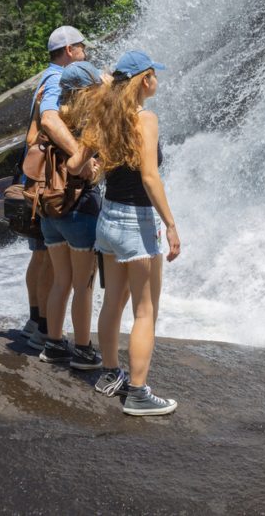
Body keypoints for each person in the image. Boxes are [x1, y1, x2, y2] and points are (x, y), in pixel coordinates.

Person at [72, 49, 181, 416]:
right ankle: (137, 392)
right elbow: (150, 177)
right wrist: (170, 224)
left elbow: (75, 164)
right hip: (138, 222)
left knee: (113, 303)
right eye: (154, 75)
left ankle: (109, 373)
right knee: (145, 311)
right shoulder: (145, 119)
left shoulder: (101, 117)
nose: (157, 82)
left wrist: (96, 164)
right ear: (144, 80)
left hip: (109, 218)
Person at [22, 25, 89, 352]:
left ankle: (36, 321)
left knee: (41, 253)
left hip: (34, 181)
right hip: (49, 183)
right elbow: (49, 119)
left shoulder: (44, 76)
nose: (85, 52)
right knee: (51, 256)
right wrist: (79, 154)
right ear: (68, 51)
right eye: (81, 47)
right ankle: (45, 329)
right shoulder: (56, 80)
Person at [38, 60, 103, 371]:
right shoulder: (87, 122)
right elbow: (84, 170)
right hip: (79, 210)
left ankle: (52, 345)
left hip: (49, 208)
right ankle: (82, 349)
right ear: (85, 91)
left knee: (60, 281)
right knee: (83, 285)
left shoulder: (53, 118)